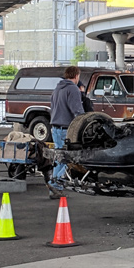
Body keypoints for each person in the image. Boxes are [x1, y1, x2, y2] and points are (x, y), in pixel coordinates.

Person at [48, 66, 85, 199]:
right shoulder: (73, 89)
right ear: (76, 76)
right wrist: (84, 122)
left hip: (55, 127)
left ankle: (54, 187)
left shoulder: (58, 88)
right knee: (68, 157)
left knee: (59, 157)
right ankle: (56, 184)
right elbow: (77, 110)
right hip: (66, 128)